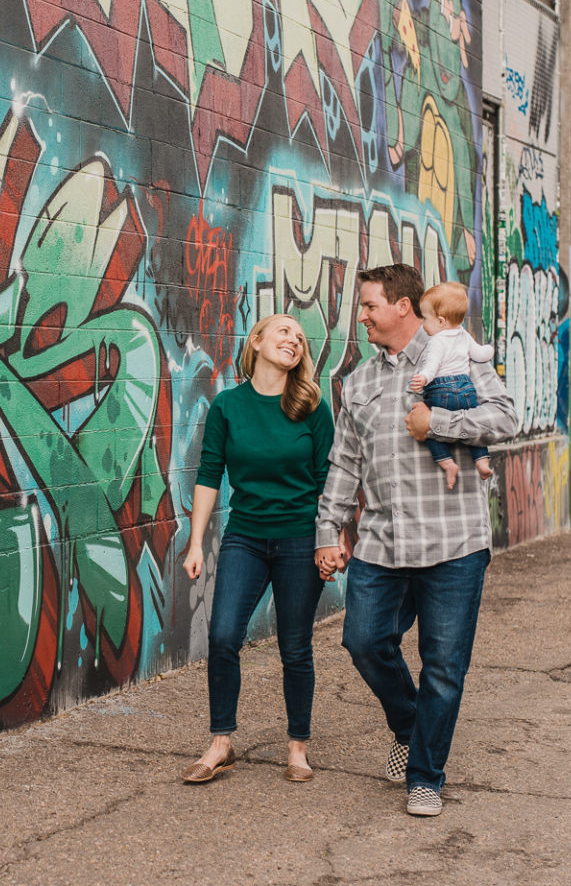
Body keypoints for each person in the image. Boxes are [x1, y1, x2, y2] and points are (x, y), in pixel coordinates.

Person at [313, 264, 518, 817]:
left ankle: (425, 774)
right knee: (363, 641)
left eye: (369, 305)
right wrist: (327, 531)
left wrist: (439, 425)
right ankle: (410, 727)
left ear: (403, 306)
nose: (362, 316)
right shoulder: (357, 384)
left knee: (444, 665)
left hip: (454, 542)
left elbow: (505, 419)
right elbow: (344, 464)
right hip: (382, 542)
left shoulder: (460, 355)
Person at [182, 314, 335, 784]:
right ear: (258, 341)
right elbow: (210, 475)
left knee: (295, 645)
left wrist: (331, 539)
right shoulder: (228, 406)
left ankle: (297, 747)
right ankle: (221, 742)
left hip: (298, 539)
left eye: (300, 338)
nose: (293, 339)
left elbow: (329, 480)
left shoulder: (312, 407)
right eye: (284, 330)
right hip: (244, 537)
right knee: (224, 635)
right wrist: (195, 544)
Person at [409, 280, 497, 489]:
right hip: (466, 390)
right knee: (475, 431)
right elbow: (479, 354)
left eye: (426, 319)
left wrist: (423, 378)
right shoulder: (464, 336)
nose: (423, 324)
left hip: (441, 391)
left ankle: (447, 464)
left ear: (440, 321)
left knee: (430, 428)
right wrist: (490, 350)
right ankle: (482, 462)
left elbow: (433, 364)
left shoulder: (436, 341)